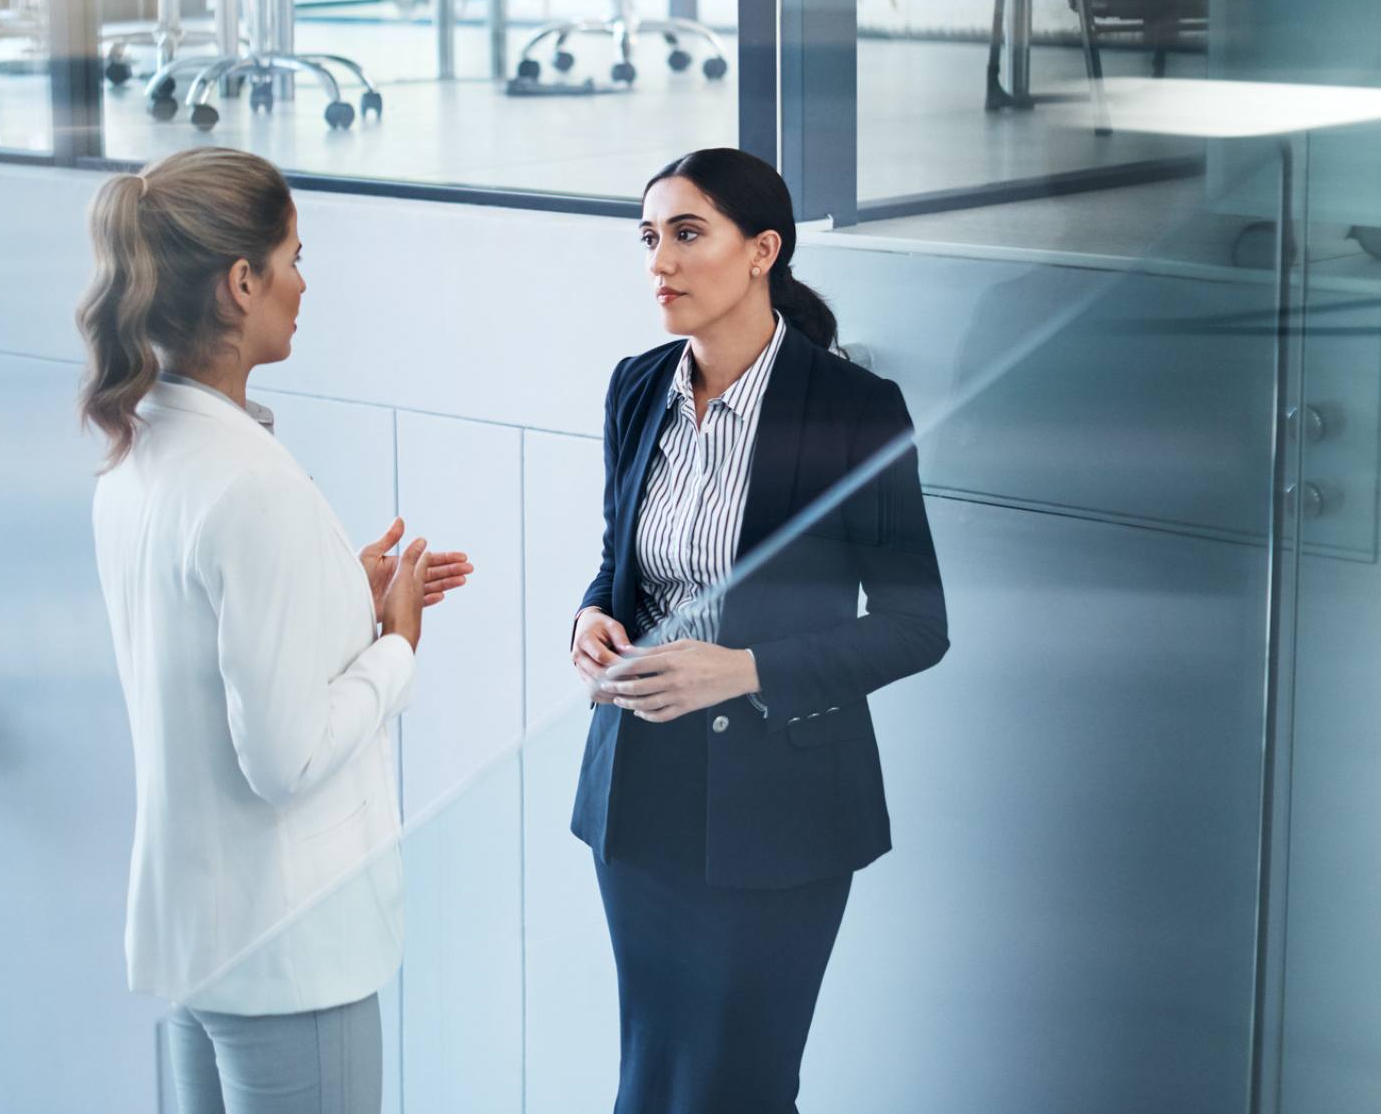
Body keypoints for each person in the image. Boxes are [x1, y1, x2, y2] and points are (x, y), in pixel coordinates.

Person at [80, 147, 474, 1114]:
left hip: (198, 947)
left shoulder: (140, 450)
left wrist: (340, 592)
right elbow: (285, 759)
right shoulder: (251, 485)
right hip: (293, 957)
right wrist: (394, 645)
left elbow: (203, 649)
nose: (303, 284)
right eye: (295, 258)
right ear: (241, 281)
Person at [567, 147, 950, 1113]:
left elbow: (916, 626)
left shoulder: (853, 411)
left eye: (689, 234)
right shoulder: (635, 386)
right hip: (640, 790)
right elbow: (624, 558)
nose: (661, 261)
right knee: (652, 1077)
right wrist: (592, 616)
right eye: (650, 237)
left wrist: (743, 669)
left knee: (737, 1084)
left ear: (761, 251)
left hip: (783, 807)